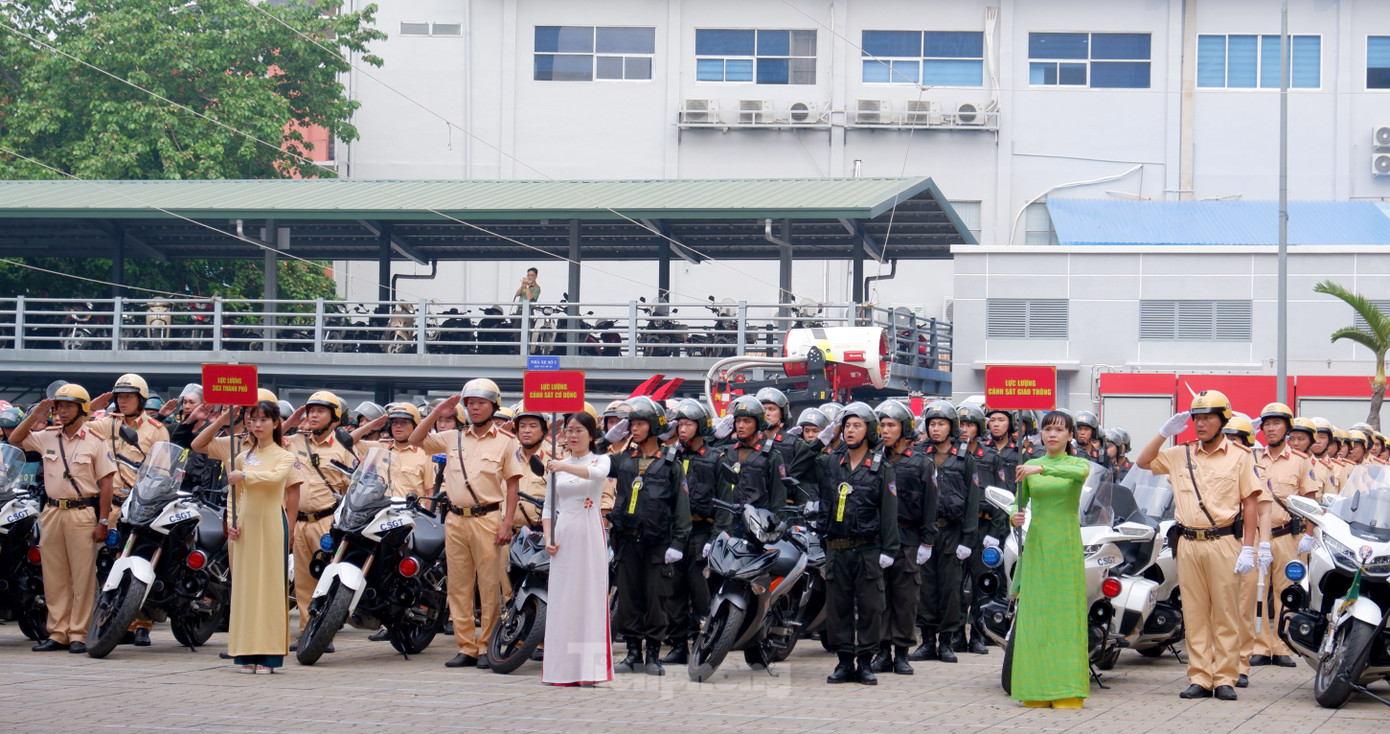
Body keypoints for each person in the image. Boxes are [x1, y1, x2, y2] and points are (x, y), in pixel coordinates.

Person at [1136, 390, 1260, 701]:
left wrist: (1248, 546)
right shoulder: (1181, 454)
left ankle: (1226, 678)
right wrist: (1164, 433)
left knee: (1225, 612)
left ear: (1223, 420)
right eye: (1197, 418)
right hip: (1188, 542)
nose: (1200, 424)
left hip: (1223, 541)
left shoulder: (1241, 457)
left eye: (1208, 417)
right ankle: (1201, 676)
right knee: (1194, 612)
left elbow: (1250, 503)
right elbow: (1142, 461)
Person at [409, 379, 523, 670]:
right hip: (455, 519)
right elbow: (415, 439)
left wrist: (507, 522)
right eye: (470, 402)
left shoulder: (507, 442)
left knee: (489, 587)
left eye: (481, 402)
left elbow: (512, 486)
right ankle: (466, 647)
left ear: (493, 406)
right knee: (458, 587)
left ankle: (487, 645)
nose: (474, 407)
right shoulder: (452, 437)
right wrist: (437, 413)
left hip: (488, 518)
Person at [790, 402, 898, 685]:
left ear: (869, 431)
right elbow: (797, 468)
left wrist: (889, 550)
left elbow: (889, 513)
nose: (850, 431)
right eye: (846, 426)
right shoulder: (829, 463)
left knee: (869, 607)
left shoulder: (880, 468)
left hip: (867, 549)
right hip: (836, 548)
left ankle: (864, 662)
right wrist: (821, 440)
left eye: (857, 426)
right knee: (837, 608)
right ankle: (843, 661)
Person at [193, 401, 298, 674]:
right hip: (245, 527)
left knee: (271, 590)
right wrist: (231, 522)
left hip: (272, 524)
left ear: (276, 423)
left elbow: (275, 479)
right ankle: (245, 653)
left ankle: (269, 655)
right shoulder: (241, 457)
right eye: (253, 419)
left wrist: (245, 475)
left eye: (265, 419)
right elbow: (234, 496)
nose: (258, 424)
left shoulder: (285, 454)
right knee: (246, 589)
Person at [12, 386, 116, 655]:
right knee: (54, 576)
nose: (61, 411)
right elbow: (15, 440)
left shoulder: (95, 440)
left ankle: (78, 633)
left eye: (68, 406)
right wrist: (35, 414)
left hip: (82, 513)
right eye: (58, 406)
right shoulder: (47, 437)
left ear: (82, 409)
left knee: (82, 577)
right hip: (52, 512)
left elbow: (106, 484)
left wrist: (103, 521)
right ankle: (57, 632)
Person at [1007, 410, 1092, 708]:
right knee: (1036, 615)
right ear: (1040, 434)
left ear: (1071, 435)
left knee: (1065, 616)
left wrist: (1041, 470)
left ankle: (1068, 689)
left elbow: (1079, 475)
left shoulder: (1077, 464)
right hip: (1039, 544)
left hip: (1066, 545)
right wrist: (1013, 517)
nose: (1052, 434)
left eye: (1059, 430)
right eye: (1047, 429)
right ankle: (1035, 688)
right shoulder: (1028, 465)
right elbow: (1018, 503)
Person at [606, 396, 689, 675]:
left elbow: (681, 507)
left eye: (640, 424)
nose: (634, 429)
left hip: (657, 543)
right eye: (632, 424)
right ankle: (632, 653)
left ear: (654, 426)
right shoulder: (624, 460)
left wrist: (677, 543)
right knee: (629, 598)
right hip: (628, 541)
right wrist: (602, 439)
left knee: (656, 600)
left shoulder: (670, 463)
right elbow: (592, 463)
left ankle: (652, 653)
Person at [85, 373, 169, 647]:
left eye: (128, 397)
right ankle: (105, 619)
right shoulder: (105, 423)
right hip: (107, 505)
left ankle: (142, 624)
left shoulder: (156, 429)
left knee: (140, 562)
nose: (122, 402)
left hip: (138, 506)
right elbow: (77, 427)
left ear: (141, 400)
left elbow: (163, 469)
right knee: (103, 564)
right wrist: (89, 407)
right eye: (119, 397)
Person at [541, 412, 613, 686]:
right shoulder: (556, 467)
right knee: (562, 600)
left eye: (579, 430)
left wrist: (560, 466)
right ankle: (560, 670)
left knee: (590, 598)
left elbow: (596, 474)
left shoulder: (600, 459)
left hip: (589, 532)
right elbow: (549, 507)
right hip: (563, 535)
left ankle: (589, 670)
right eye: (568, 430)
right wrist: (548, 537)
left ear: (592, 435)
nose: (572, 435)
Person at [282, 390, 359, 648]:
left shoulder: (345, 448)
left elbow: (353, 486)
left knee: (327, 579)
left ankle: (325, 633)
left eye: (320, 411)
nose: (313, 415)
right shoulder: (293, 442)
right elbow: (266, 439)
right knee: (303, 580)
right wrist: (291, 421)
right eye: (311, 410)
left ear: (335, 418)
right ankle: (307, 630)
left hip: (327, 523)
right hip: (299, 521)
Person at [1248, 403, 1318, 670]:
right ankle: (1259, 646)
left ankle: (1281, 646)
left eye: (1277, 423)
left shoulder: (1300, 462)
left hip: (1287, 536)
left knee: (1286, 593)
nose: (1271, 428)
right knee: (1255, 591)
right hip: (1255, 537)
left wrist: (1308, 536)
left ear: (1287, 428)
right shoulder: (1253, 458)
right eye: (1267, 424)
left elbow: (1311, 501)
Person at [869, 400, 935, 676]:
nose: (885, 430)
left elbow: (931, 503)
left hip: (908, 537)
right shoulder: (872, 458)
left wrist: (928, 540)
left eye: (891, 425)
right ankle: (882, 651)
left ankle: (902, 652)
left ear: (904, 429)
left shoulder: (921, 463)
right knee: (878, 598)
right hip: (878, 538)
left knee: (905, 599)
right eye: (882, 425)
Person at [661, 399, 729, 665]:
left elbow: (725, 502)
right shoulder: (671, 456)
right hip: (676, 533)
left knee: (701, 592)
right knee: (674, 590)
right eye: (680, 425)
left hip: (702, 530)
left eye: (688, 424)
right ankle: (679, 645)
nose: (682, 429)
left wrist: (716, 538)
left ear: (701, 427)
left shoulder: (716, 458)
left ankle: (711, 640)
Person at [911, 401, 978, 664]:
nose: (936, 429)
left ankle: (947, 641)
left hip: (952, 531)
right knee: (925, 588)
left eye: (941, 424)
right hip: (925, 532)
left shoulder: (964, 459)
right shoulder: (919, 456)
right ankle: (927, 641)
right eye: (932, 424)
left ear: (951, 427)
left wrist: (968, 539)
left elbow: (972, 501)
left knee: (950, 588)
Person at [956, 403, 1003, 655]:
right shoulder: (953, 454)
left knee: (980, 585)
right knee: (954, 584)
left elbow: (1002, 496)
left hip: (983, 527)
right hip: (958, 528)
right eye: (961, 424)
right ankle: (955, 636)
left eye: (970, 425)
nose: (965, 429)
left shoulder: (991, 456)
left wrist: (994, 534)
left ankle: (977, 634)